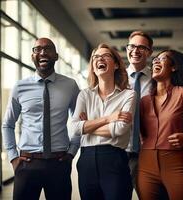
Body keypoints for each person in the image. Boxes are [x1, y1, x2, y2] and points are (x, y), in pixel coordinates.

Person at [2, 38, 80, 200]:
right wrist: (13, 157)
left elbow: (80, 122)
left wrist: (71, 153)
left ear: (56, 56)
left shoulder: (70, 85)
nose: (43, 52)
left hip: (59, 163)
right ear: (32, 56)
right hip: (27, 164)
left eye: (48, 49)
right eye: (37, 49)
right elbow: (7, 124)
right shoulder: (20, 87)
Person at [70, 43, 136, 200]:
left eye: (105, 56)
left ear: (116, 65)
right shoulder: (84, 95)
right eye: (96, 57)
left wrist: (87, 126)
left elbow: (119, 129)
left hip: (115, 160)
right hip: (86, 160)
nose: (100, 59)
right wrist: (109, 119)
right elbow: (74, 128)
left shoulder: (129, 95)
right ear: (93, 67)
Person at [137, 49, 183, 200]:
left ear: (173, 67)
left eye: (162, 58)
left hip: (176, 164)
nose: (156, 61)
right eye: (155, 59)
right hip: (146, 166)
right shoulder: (143, 101)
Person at [125, 30, 153, 193]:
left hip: (148, 153)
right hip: (119, 153)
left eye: (141, 47)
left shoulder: (158, 80)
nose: (135, 51)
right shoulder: (116, 78)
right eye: (132, 46)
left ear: (149, 52)